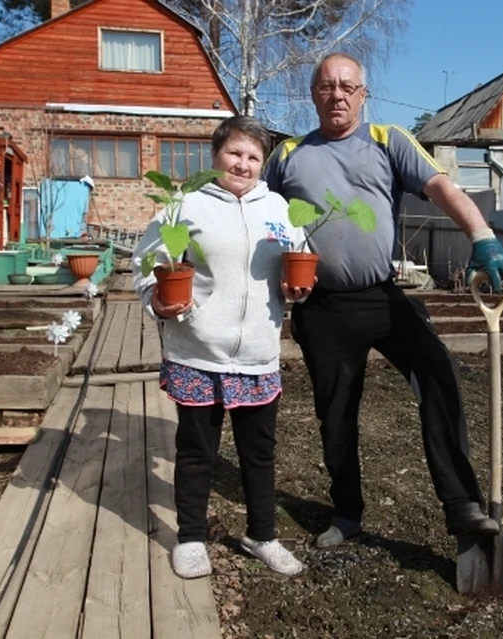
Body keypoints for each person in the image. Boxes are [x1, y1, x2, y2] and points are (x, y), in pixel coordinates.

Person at [263, 52, 503, 548]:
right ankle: (346, 513)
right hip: (322, 309)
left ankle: (462, 504)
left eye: (347, 86)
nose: (336, 94)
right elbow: (258, 218)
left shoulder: (389, 140)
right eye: (326, 86)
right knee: (335, 414)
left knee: (438, 373)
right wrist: (276, 272)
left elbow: (442, 186)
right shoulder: (288, 154)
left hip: (383, 300)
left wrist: (482, 236)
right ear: (312, 94)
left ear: (364, 94)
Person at [132, 116, 311, 578]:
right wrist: (155, 299)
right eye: (235, 153)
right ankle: (190, 537)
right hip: (197, 349)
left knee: (260, 452)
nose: (244, 164)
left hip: (256, 352)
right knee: (197, 451)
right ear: (215, 156)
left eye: (254, 157)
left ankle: (262, 535)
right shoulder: (184, 205)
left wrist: (300, 291)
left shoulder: (278, 208)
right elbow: (146, 261)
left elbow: (300, 261)